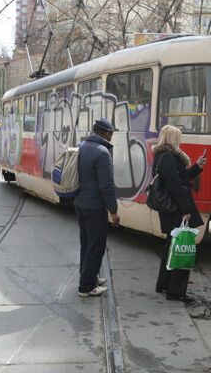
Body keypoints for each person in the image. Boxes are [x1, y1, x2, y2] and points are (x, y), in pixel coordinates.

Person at [153, 125, 207, 304]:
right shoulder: (168, 157)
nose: (180, 141)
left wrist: (197, 166)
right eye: (179, 137)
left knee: (171, 245)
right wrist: (185, 210)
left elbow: (181, 178)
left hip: (172, 209)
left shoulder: (163, 156)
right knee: (182, 247)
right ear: (172, 139)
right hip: (176, 209)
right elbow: (175, 185)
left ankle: (163, 283)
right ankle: (176, 291)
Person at [74, 118, 120, 297]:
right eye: (111, 132)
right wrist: (114, 210)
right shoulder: (102, 152)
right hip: (94, 206)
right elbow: (106, 186)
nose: (112, 135)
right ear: (105, 133)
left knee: (86, 243)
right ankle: (86, 286)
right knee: (96, 245)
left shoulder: (82, 147)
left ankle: (87, 275)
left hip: (80, 203)